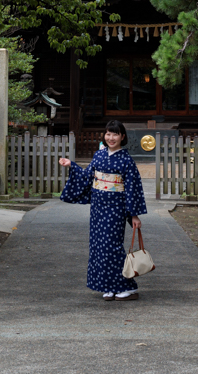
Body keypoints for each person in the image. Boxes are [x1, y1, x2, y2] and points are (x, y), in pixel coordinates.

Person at [59, 120, 147, 301]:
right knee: (98, 247)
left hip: (116, 208)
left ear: (122, 137)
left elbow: (132, 188)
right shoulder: (99, 156)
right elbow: (87, 176)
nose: (111, 138)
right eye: (108, 134)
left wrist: (134, 214)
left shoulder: (126, 160)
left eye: (115, 134)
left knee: (112, 248)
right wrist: (71, 165)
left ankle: (126, 287)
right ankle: (107, 285)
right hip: (98, 208)